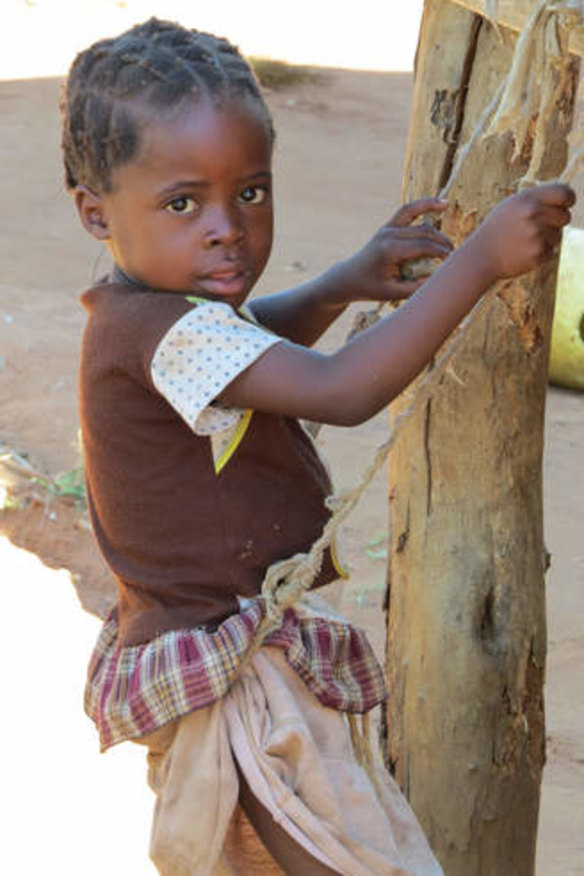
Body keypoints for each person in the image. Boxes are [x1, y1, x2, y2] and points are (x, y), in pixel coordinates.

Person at [61, 17, 574, 876]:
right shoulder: (161, 333)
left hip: (241, 657)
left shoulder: (155, 317)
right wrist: (478, 263)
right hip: (232, 684)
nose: (227, 226)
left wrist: (343, 281)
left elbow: (250, 342)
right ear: (92, 210)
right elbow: (342, 390)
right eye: (183, 203)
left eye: (251, 193)